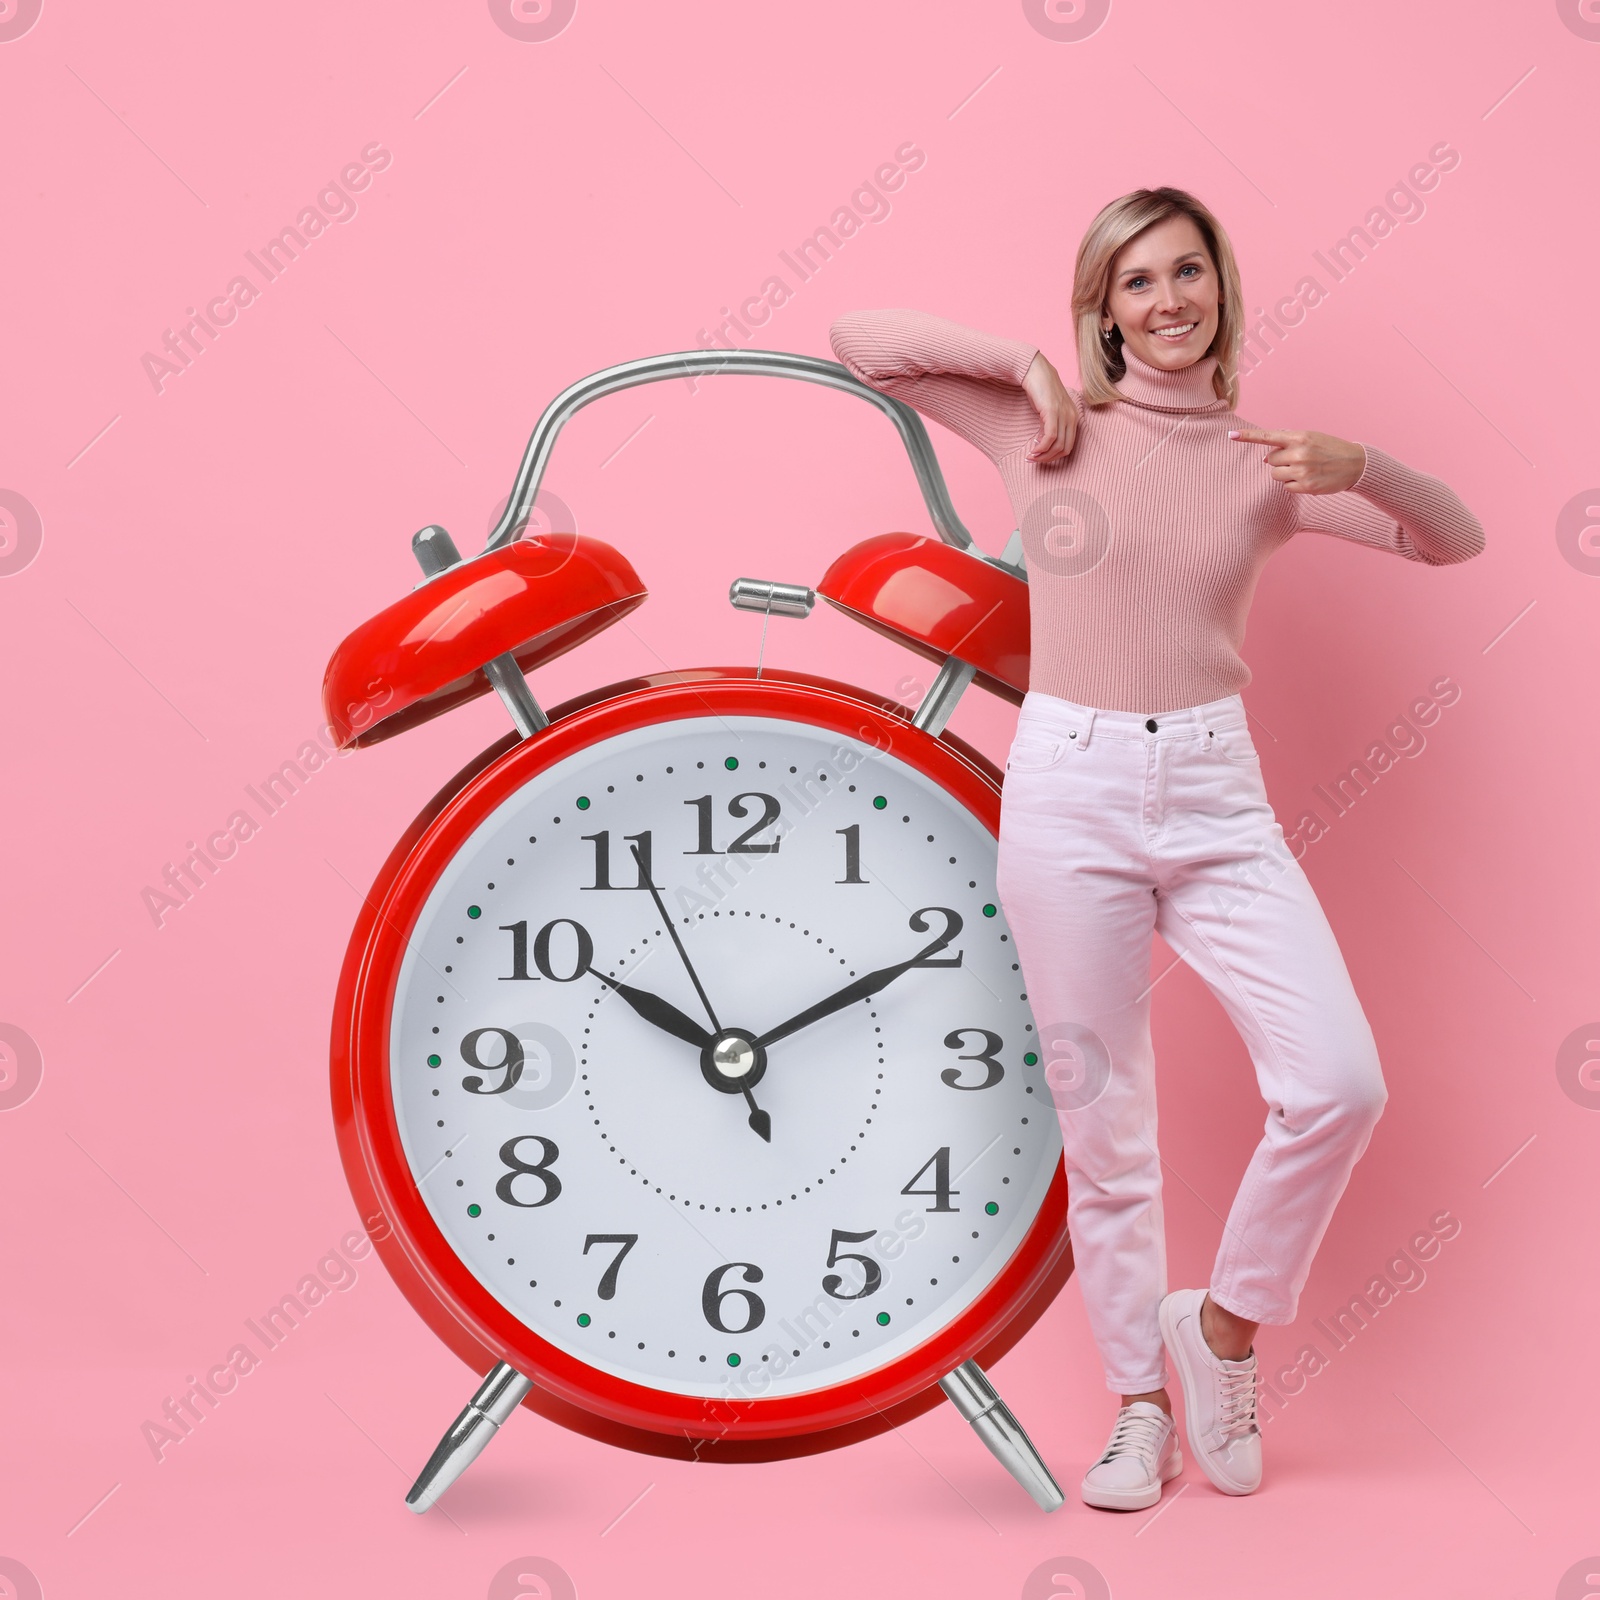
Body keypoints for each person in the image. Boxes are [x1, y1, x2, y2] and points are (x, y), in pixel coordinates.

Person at [828, 185, 1485, 1511]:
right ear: (1104, 309)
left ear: (1221, 293)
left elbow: (1450, 541)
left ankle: (1224, 1330)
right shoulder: (1045, 429)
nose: (1167, 301)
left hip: (1213, 791)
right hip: (1069, 786)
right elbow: (861, 339)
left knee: (1339, 1081)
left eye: (1188, 274)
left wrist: (1365, 468)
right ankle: (1139, 1408)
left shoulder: (1267, 464)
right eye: (1136, 282)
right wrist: (1018, 362)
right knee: (1107, 1122)